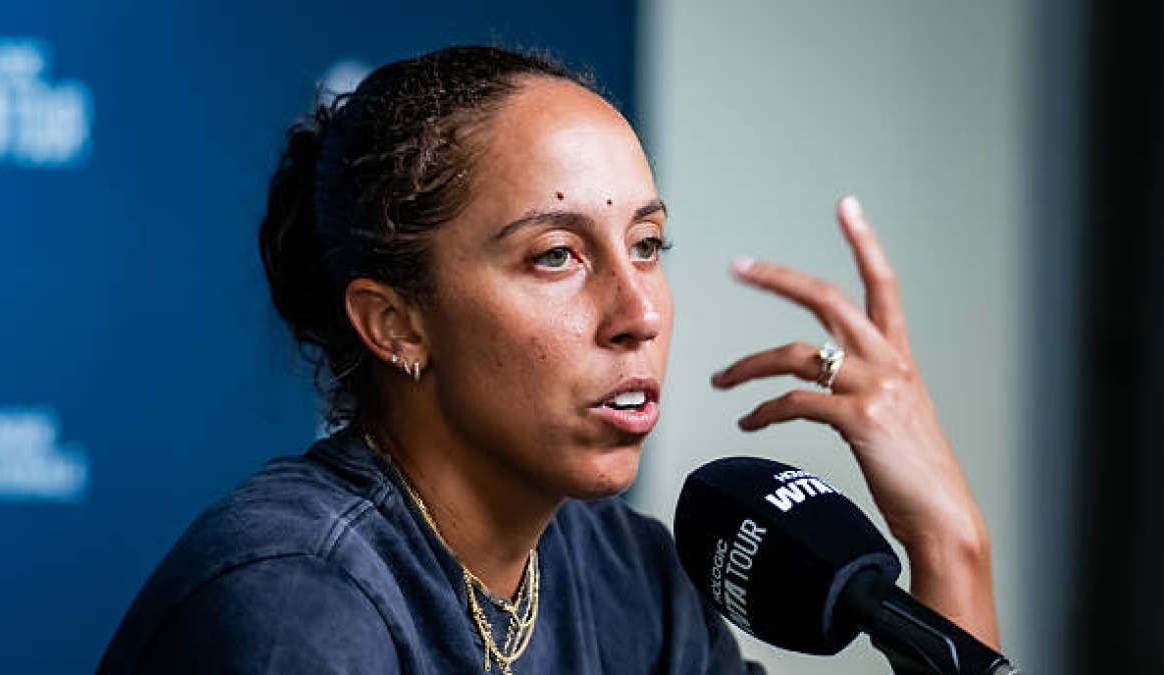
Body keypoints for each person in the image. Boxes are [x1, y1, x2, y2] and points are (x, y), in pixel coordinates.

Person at [99, 45, 998, 673]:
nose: (638, 311)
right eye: (557, 255)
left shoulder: (631, 575)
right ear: (397, 325)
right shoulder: (293, 601)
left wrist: (948, 543)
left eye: (646, 244)